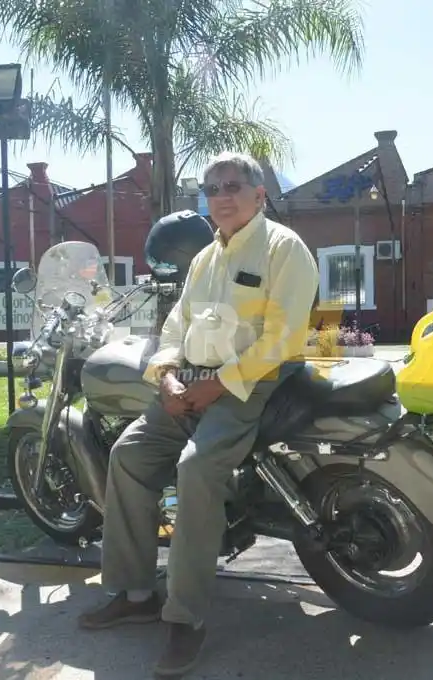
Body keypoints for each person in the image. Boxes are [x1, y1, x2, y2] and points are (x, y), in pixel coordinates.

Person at [77, 152, 319, 677]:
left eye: (233, 185)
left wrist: (218, 385)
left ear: (259, 194)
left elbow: (282, 338)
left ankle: (185, 619)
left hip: (253, 384)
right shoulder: (206, 259)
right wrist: (165, 375)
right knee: (129, 455)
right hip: (190, 381)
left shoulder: (284, 248)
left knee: (197, 468)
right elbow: (174, 327)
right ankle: (136, 592)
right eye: (212, 189)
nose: (222, 196)